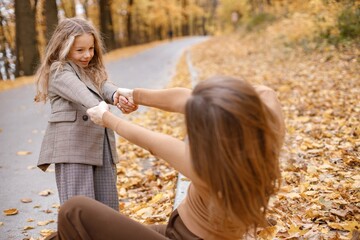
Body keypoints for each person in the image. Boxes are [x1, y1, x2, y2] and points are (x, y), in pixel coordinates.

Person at [49, 76, 285, 239]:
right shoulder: (267, 125)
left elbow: (152, 142)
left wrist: (106, 118)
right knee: (71, 234)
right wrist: (134, 95)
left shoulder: (209, 168)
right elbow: (185, 98)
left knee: (74, 211)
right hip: (176, 231)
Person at [34, 17, 136, 210]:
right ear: (63, 47)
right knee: (82, 211)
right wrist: (101, 109)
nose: (87, 55)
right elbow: (80, 91)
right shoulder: (59, 70)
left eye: (91, 49)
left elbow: (103, 86)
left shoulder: (90, 70)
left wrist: (117, 94)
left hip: (101, 149)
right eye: (79, 50)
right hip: (74, 151)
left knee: (108, 211)